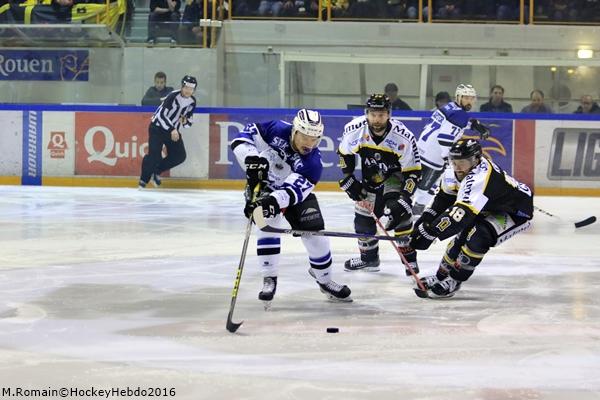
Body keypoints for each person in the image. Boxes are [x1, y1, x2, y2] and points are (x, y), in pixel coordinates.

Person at [230, 109, 352, 304]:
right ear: (295, 131)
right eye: (305, 137)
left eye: (314, 139)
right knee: (266, 226)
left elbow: (292, 192)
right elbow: (242, 137)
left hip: (290, 194)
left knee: (316, 235)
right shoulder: (276, 129)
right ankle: (269, 278)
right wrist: (251, 158)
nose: (309, 143)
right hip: (263, 187)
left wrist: (273, 202)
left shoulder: (313, 163)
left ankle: (325, 280)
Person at [410, 138, 534, 298]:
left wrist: (431, 232)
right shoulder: (453, 170)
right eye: (454, 161)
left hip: (514, 211)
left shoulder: (480, 176)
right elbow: (443, 199)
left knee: (478, 237)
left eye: (462, 162)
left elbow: (461, 214)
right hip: (486, 206)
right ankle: (440, 276)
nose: (457, 167)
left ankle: (455, 280)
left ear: (476, 160)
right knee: (460, 239)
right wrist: (425, 221)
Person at [337, 94, 421, 274]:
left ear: (389, 114)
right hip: (370, 179)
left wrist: (405, 197)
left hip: (394, 179)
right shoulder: (354, 129)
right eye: (373, 114)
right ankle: (369, 259)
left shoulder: (403, 137)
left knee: (400, 216)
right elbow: (344, 153)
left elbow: (413, 172)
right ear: (366, 113)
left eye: (381, 115)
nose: (376, 119)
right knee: (362, 222)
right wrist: (348, 178)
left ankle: (409, 260)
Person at [412, 84, 490, 216]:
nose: (469, 101)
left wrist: (474, 124)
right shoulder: (460, 114)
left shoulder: (449, 107)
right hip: (434, 155)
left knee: (420, 181)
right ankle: (416, 211)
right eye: (466, 98)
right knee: (427, 186)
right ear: (459, 97)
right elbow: (444, 137)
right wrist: (448, 157)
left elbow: (455, 122)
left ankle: (413, 207)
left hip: (422, 149)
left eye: (471, 98)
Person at [139, 75, 197, 189]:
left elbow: (188, 122)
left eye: (191, 89)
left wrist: (185, 121)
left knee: (180, 156)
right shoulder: (172, 96)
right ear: (182, 87)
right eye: (186, 87)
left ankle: (156, 171)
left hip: (172, 132)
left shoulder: (192, 102)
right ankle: (143, 180)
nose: (188, 91)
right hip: (157, 128)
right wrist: (172, 129)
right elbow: (161, 115)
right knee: (154, 156)